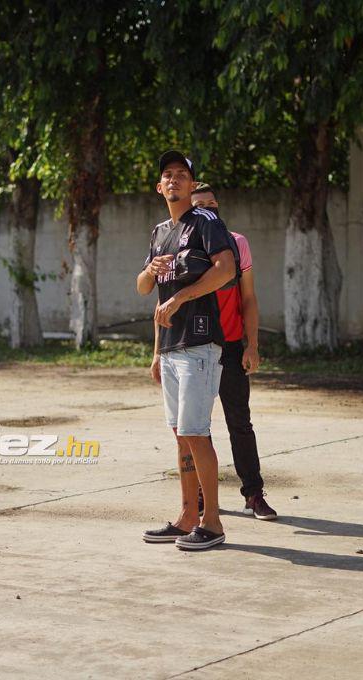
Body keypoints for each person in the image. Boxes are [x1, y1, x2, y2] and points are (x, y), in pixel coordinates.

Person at [136, 150, 237, 551]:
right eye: (167, 175)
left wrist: (182, 298)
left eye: (182, 175)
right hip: (173, 347)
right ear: (159, 187)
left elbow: (226, 270)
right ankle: (186, 517)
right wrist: (150, 272)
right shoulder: (160, 232)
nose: (174, 180)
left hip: (199, 342)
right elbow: (146, 289)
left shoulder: (206, 221)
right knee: (181, 435)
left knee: (197, 433)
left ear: (192, 186)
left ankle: (212, 523)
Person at [190, 183, 277, 520]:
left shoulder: (237, 243)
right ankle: (198, 494)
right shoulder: (183, 246)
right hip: (195, 347)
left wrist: (252, 344)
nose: (209, 211)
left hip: (229, 346)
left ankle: (253, 493)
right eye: (200, 207)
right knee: (196, 426)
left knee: (240, 423)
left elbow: (249, 298)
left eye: (213, 205)